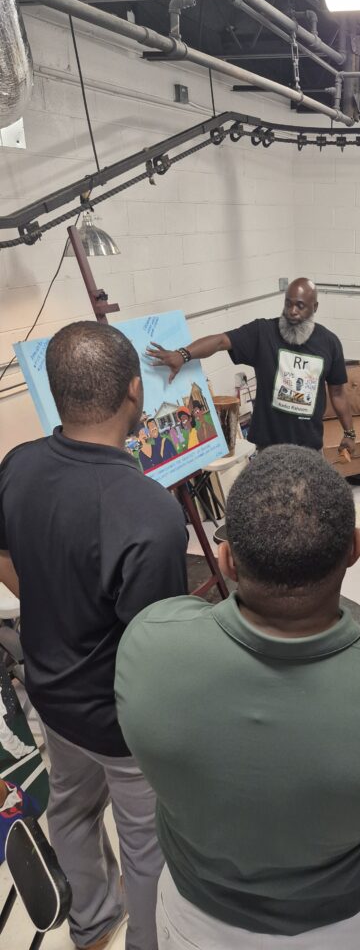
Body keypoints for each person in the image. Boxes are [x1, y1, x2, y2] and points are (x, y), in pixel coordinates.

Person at [115, 445, 360, 950]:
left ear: (226, 560)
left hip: (194, 919)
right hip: (349, 927)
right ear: (355, 549)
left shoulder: (147, 646)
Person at [0, 321, 189, 950]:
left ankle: (91, 925)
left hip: (51, 697)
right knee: (146, 847)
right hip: (120, 723)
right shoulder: (149, 510)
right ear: (135, 390)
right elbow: (156, 650)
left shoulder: (18, 464)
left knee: (71, 811)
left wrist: (53, 600)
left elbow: (6, 555)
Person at [146, 278, 356, 456]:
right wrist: (183, 355)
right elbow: (220, 341)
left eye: (300, 306)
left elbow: (337, 393)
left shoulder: (329, 343)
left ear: (314, 307)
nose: (292, 311)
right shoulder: (263, 333)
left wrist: (349, 433)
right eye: (288, 304)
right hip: (269, 449)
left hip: (309, 450)